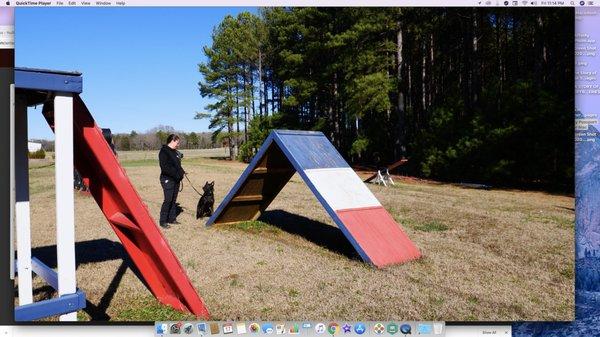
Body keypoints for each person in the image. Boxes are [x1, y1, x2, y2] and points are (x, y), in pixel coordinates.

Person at [158, 134, 185, 228]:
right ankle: (163, 221)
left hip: (176, 179)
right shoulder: (164, 152)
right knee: (168, 200)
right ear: (172, 141)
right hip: (167, 179)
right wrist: (177, 175)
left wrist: (182, 172)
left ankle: (172, 219)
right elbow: (165, 168)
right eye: (177, 142)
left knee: (173, 200)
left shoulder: (174, 152)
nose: (178, 144)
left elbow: (178, 166)